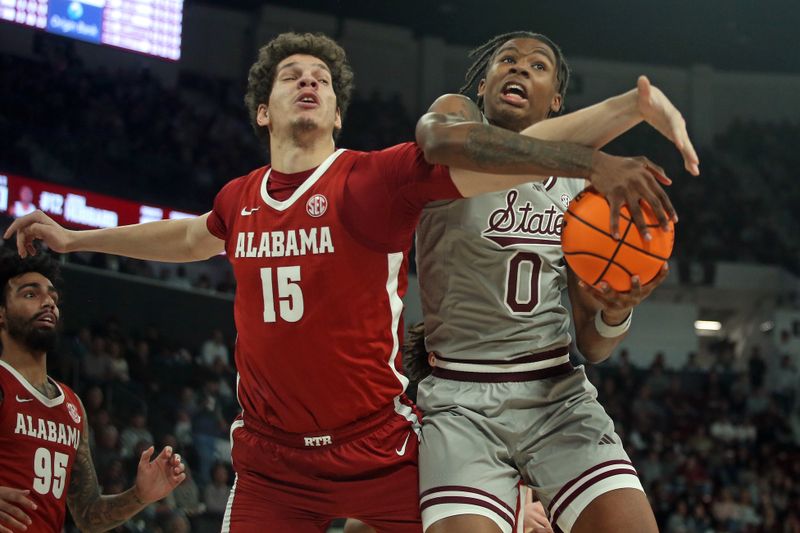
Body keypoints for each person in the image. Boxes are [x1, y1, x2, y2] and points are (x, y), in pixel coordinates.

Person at [5, 32, 683, 531]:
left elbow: (501, 164)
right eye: (291, 76)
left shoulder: (370, 180)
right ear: (262, 112)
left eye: (322, 79)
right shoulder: (241, 198)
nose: (308, 81)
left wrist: (617, 127)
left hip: (382, 442)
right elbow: (186, 236)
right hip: (279, 460)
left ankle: (513, 503)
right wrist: (75, 236)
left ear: (338, 114)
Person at [413, 31, 699, 533]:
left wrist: (616, 308)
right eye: (507, 60)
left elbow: (594, 343)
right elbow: (438, 142)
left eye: (538, 66)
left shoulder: (580, 193)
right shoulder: (457, 117)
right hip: (461, 398)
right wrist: (594, 150)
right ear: (483, 85)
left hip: (555, 394)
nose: (519, 68)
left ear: (558, 102)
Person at [0, 249, 185, 533]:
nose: (48, 302)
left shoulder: (71, 407)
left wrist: (139, 495)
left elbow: (87, 513)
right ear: (1, 313)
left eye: (52, 296)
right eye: (30, 294)